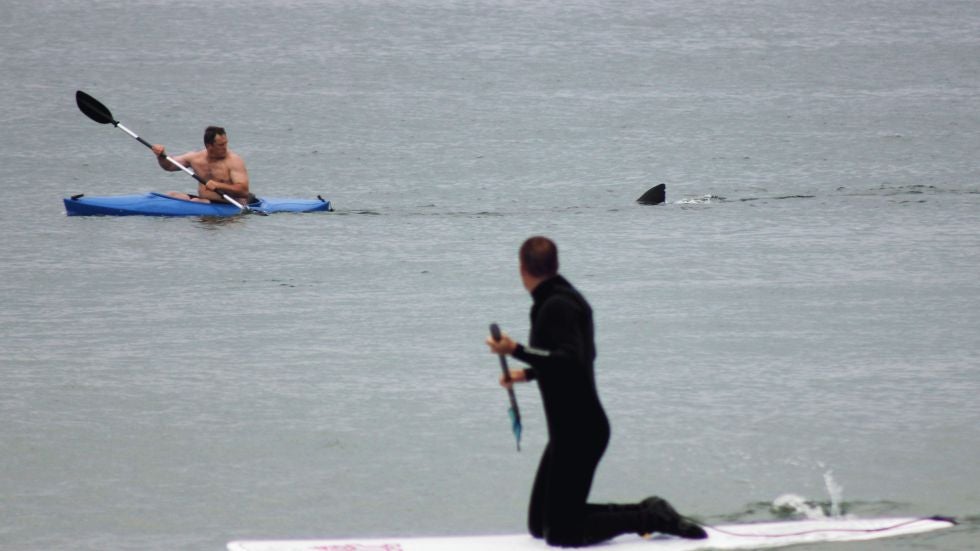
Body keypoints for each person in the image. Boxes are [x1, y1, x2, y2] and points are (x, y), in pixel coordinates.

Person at [485, 236, 707, 547]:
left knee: (561, 533)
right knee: (540, 525)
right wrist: (527, 374)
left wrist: (516, 350)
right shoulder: (562, 299)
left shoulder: (556, 305)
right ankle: (646, 509)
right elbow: (570, 360)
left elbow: (570, 361)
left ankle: (653, 518)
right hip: (569, 432)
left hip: (580, 432)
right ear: (555, 264)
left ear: (522, 269)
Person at [151, 126, 252, 204]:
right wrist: (161, 155)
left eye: (226, 143)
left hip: (230, 203)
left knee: (196, 202)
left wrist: (218, 185)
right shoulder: (195, 158)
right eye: (221, 145)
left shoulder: (234, 161)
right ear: (209, 146)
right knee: (171, 194)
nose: (225, 147)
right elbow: (169, 166)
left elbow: (243, 191)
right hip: (204, 201)